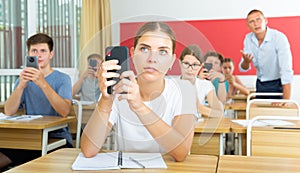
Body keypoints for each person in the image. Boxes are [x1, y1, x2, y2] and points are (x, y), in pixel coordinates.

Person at [81, 22, 198, 162]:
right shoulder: (118, 88)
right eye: (144, 49)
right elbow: (88, 150)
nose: (152, 59)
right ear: (132, 54)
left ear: (172, 60)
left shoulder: (185, 91)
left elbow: (181, 152)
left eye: (162, 51)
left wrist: (140, 107)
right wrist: (105, 101)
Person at [1, 33, 73, 169]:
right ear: (28, 54)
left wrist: (42, 83)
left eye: (43, 51)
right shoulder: (22, 79)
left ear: (50, 54)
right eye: (34, 51)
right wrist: (21, 86)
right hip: (29, 138)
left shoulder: (63, 79)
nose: (38, 55)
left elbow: (65, 111)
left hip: (57, 138)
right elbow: (9, 111)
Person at [239, 9, 293, 99]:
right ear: (248, 26)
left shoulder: (279, 38)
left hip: (278, 84)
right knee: (260, 112)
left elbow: (286, 70)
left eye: (258, 19)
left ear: (266, 21)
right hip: (260, 84)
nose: (256, 24)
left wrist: (286, 100)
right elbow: (243, 68)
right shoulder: (248, 39)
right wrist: (246, 61)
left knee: (276, 112)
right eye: (251, 22)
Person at [179, 45, 223, 117]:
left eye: (195, 65)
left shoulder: (206, 85)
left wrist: (198, 107)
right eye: (186, 64)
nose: (190, 69)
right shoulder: (171, 85)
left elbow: (219, 114)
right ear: (180, 63)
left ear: (201, 66)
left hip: (196, 126)